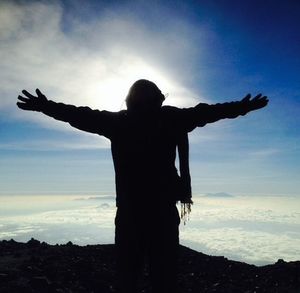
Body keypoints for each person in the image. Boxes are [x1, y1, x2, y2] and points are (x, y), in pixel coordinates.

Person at [17, 79, 268, 292]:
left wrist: (45, 107)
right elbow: (208, 112)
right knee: (162, 275)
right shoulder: (170, 119)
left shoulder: (120, 122)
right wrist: (242, 108)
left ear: (129, 101)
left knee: (130, 275)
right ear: (159, 99)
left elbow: (79, 115)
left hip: (131, 212)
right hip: (158, 211)